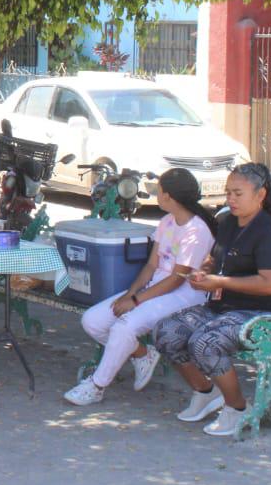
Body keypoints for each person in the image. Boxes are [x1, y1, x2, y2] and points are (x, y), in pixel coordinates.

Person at [151, 163, 271, 437]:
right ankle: (205, 392)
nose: (231, 199)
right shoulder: (227, 222)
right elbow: (216, 257)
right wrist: (205, 270)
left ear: (260, 194)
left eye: (238, 194)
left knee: (205, 343)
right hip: (224, 306)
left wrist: (220, 282)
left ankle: (239, 408)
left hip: (263, 313)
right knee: (165, 332)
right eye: (228, 193)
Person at [63, 168, 216, 407]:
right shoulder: (167, 222)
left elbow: (177, 279)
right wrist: (130, 293)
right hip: (157, 287)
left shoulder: (196, 230)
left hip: (186, 295)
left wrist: (135, 302)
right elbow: (151, 265)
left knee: (124, 326)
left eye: (160, 190)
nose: (157, 194)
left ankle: (96, 386)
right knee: (93, 320)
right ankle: (143, 354)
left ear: (169, 196)